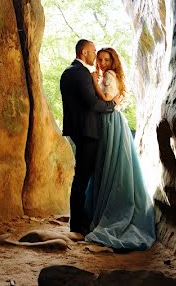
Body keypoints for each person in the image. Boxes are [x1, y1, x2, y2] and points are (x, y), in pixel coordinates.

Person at [83, 47, 156, 250]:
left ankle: (111, 213)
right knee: (107, 163)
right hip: (110, 120)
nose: (102, 63)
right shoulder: (107, 75)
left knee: (110, 163)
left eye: (106, 60)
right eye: (99, 59)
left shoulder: (109, 75)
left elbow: (106, 99)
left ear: (112, 62)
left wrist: (93, 81)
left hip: (110, 121)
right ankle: (100, 209)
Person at [59, 39, 116, 237]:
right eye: (92, 52)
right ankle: (77, 224)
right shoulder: (79, 73)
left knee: (83, 176)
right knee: (82, 177)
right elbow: (92, 103)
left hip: (80, 130)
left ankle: (81, 220)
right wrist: (112, 106)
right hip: (86, 131)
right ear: (84, 52)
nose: (95, 57)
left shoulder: (70, 72)